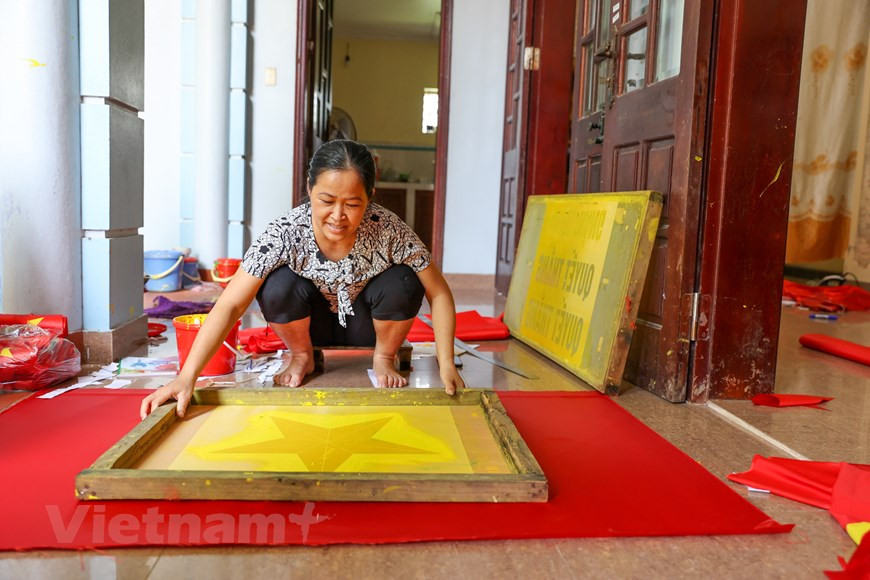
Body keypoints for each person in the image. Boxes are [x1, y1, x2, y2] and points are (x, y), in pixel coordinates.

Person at [141, 140, 464, 420]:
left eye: (353, 204)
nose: (338, 216)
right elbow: (230, 304)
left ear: (370, 197)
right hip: (310, 328)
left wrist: (446, 363)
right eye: (326, 201)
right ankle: (302, 356)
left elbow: (439, 294)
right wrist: (187, 378)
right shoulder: (284, 232)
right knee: (277, 283)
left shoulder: (389, 229)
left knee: (404, 280)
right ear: (309, 190)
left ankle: (383, 358)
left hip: (370, 325)